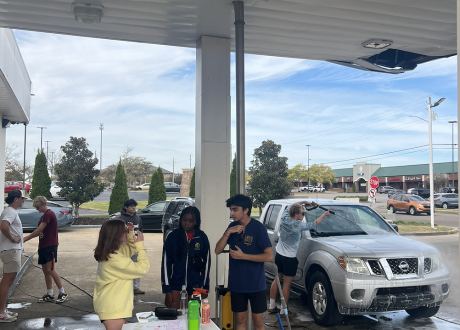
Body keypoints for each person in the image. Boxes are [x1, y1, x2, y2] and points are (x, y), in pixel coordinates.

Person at [215, 194, 273, 330]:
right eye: (231, 210)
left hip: (256, 284)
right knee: (240, 320)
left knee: (258, 322)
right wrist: (229, 232)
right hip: (237, 284)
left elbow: (269, 256)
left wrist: (244, 256)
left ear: (246, 210)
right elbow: (217, 250)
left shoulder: (258, 228)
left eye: (235, 210)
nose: (232, 213)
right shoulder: (233, 227)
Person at [268, 201, 330, 314]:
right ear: (296, 214)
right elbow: (315, 223)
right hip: (289, 259)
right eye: (302, 214)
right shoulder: (298, 225)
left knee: (276, 280)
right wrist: (324, 215)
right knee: (286, 285)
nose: (303, 216)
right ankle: (284, 310)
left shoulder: (285, 217)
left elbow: (291, 207)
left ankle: (271, 306)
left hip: (279, 255)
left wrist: (303, 203)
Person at [93, 219, 150, 330]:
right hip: (113, 309)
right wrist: (140, 246)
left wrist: (130, 235)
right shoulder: (115, 259)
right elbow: (142, 268)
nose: (127, 231)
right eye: (124, 230)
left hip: (111, 307)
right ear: (116, 235)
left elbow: (129, 250)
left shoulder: (111, 252)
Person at [161, 206, 211, 308]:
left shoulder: (202, 238)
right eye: (184, 220)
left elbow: (207, 264)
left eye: (190, 221)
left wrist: (205, 287)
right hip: (176, 283)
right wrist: (167, 290)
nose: (186, 223)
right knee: (174, 317)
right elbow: (166, 264)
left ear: (196, 222)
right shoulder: (172, 236)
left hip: (196, 285)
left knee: (194, 317)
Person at [23, 196, 68, 304]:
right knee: (45, 271)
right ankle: (50, 293)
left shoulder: (48, 214)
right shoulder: (44, 216)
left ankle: (62, 292)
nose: (37, 209)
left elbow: (39, 231)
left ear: (43, 204)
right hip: (43, 246)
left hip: (50, 245)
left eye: (38, 207)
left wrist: (24, 239)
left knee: (50, 269)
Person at [0, 190, 24, 323]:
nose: (23, 201)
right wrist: (12, 239)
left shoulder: (10, 211)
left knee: (8, 279)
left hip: (10, 250)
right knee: (8, 280)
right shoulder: (10, 211)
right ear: (16, 199)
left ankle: (2, 310)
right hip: (10, 250)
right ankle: (1, 312)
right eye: (21, 198)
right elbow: (3, 227)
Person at [117, 199, 145, 294]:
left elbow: (140, 230)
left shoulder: (138, 219)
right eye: (131, 206)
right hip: (124, 247)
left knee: (136, 265)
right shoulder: (121, 219)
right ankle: (124, 287)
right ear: (126, 207)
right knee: (124, 266)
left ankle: (135, 288)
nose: (134, 208)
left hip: (135, 245)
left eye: (135, 206)